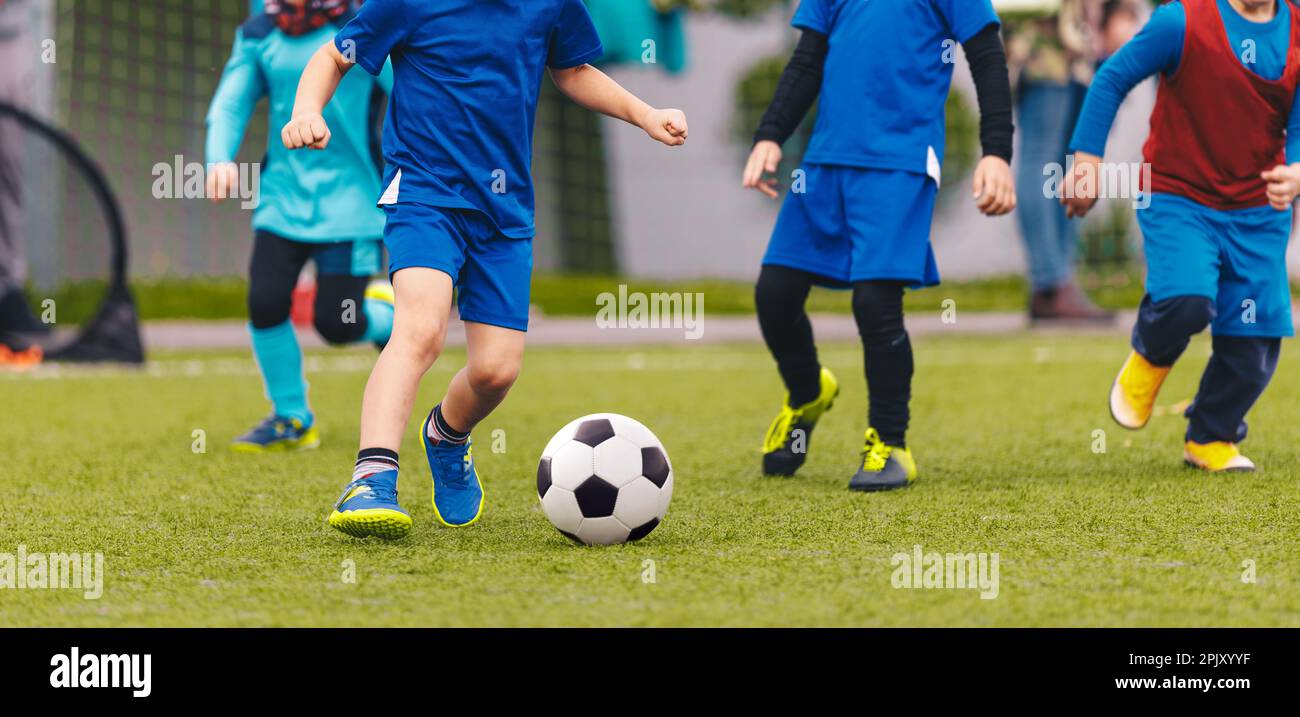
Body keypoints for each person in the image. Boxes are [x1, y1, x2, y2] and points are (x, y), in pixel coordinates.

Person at [283, 0, 688, 539]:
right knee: (420, 332)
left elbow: (572, 69)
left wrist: (645, 114)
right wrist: (306, 109)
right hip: (424, 194)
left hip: (505, 210)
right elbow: (334, 57)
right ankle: (372, 479)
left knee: (495, 372)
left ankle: (447, 435)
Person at [742, 0, 1016, 491]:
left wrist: (996, 152)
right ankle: (808, 392)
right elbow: (807, 59)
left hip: (902, 161)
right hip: (824, 161)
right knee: (774, 295)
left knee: (874, 302)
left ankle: (890, 443)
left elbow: (987, 58)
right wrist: (770, 136)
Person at [1064, 0, 1299, 472]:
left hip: (1258, 208)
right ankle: (1149, 358)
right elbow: (1112, 77)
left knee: (1254, 340)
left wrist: (1296, 169)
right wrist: (1087, 158)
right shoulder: (1181, 20)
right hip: (1178, 197)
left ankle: (1212, 435)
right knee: (1187, 301)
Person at [205, 0, 396, 452]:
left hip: (352, 202)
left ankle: (387, 320)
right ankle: (291, 416)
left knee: (336, 323)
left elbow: (414, 88)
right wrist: (218, 160)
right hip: (281, 198)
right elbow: (230, 104)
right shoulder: (258, 34)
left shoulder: (366, 26)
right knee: (266, 301)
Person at [1004, 0, 1140, 322]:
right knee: (1042, 154)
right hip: (1042, 41)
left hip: (1082, 44)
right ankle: (1050, 282)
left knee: (1068, 161)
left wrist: (1120, 12)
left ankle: (1060, 280)